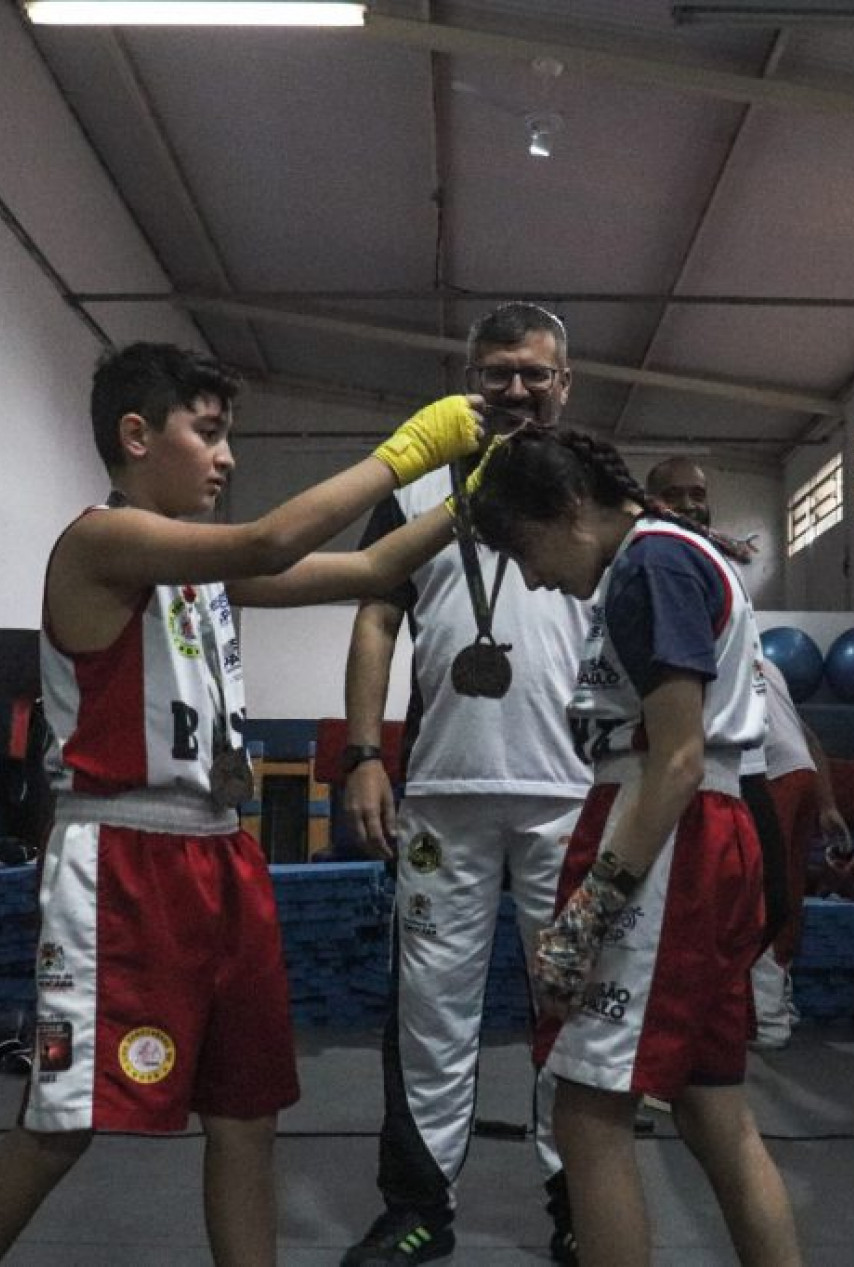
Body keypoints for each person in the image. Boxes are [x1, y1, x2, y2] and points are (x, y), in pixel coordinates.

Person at [0, 343, 483, 1266]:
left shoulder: (196, 570)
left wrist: (475, 499)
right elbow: (271, 539)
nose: (227, 457)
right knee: (61, 1123)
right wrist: (409, 451)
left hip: (222, 855)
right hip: (122, 856)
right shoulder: (99, 540)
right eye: (211, 432)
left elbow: (367, 569)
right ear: (137, 435)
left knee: (246, 1116)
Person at [468, 427, 803, 1267]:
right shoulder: (663, 557)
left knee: (584, 1108)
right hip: (700, 831)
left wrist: (588, 907)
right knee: (709, 1107)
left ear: (572, 507)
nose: (534, 574)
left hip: (670, 834)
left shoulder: (651, 564)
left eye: (526, 547)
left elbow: (679, 757)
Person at [341, 304, 590, 1265]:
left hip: (569, 794)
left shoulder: (591, 490)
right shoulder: (412, 489)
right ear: (469, 379)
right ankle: (417, 1207)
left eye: (535, 373)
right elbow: (373, 619)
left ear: (564, 383)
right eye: (497, 373)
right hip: (441, 791)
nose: (516, 389)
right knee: (428, 1012)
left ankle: (580, 1201)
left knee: (571, 1007)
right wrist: (363, 754)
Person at [646, 457, 850, 1048]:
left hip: (756, 771)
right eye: (675, 495)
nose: (690, 503)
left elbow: (805, 735)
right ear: (653, 500)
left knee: (774, 905)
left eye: (698, 493)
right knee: (703, 906)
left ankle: (725, 1008)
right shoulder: (657, 558)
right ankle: (699, 1018)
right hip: (703, 768)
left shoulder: (723, 574)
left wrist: (830, 801)